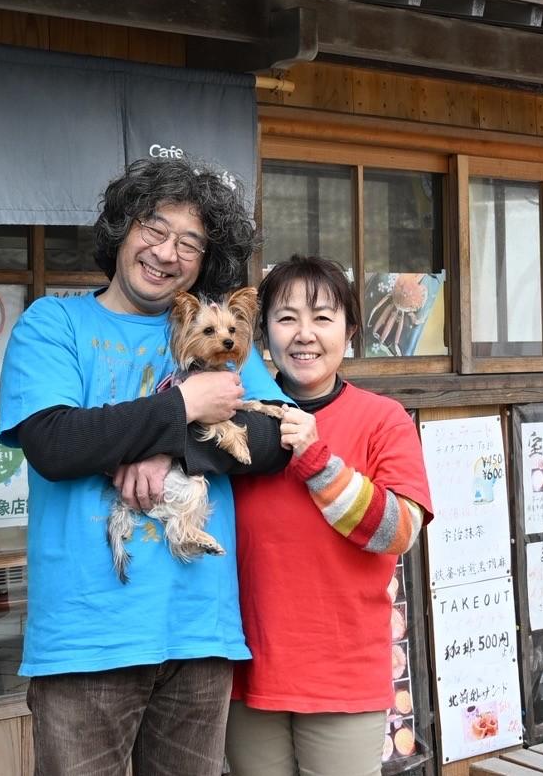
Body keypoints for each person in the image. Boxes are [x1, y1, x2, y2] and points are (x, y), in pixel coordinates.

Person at [0, 157, 295, 776]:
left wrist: (170, 448)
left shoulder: (214, 333)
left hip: (199, 633)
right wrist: (184, 404)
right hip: (86, 641)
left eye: (190, 242)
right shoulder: (54, 325)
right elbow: (54, 442)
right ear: (121, 229)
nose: (167, 252)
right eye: (153, 229)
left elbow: (273, 437)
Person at [228, 256, 432, 776]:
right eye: (286, 317)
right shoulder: (235, 418)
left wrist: (318, 464)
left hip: (343, 673)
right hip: (246, 667)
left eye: (322, 317)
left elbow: (399, 531)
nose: (304, 334)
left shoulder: (382, 419)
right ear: (264, 332)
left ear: (351, 330)